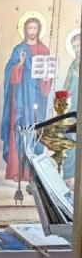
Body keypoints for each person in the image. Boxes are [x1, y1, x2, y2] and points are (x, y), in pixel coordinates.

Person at [1, 16, 51, 182]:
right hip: (21, 98)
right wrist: (20, 64)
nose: (32, 31)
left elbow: (47, 76)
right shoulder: (19, 49)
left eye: (34, 28)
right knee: (19, 129)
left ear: (39, 30)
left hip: (36, 99)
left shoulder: (44, 50)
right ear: (25, 30)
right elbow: (9, 72)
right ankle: (17, 170)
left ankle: (33, 172)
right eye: (29, 28)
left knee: (36, 130)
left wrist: (46, 79)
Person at [62, 31, 80, 183]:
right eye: (74, 47)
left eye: (79, 45)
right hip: (74, 111)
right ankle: (69, 177)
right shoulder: (73, 65)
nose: (77, 49)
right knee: (70, 142)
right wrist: (59, 106)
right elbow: (66, 88)